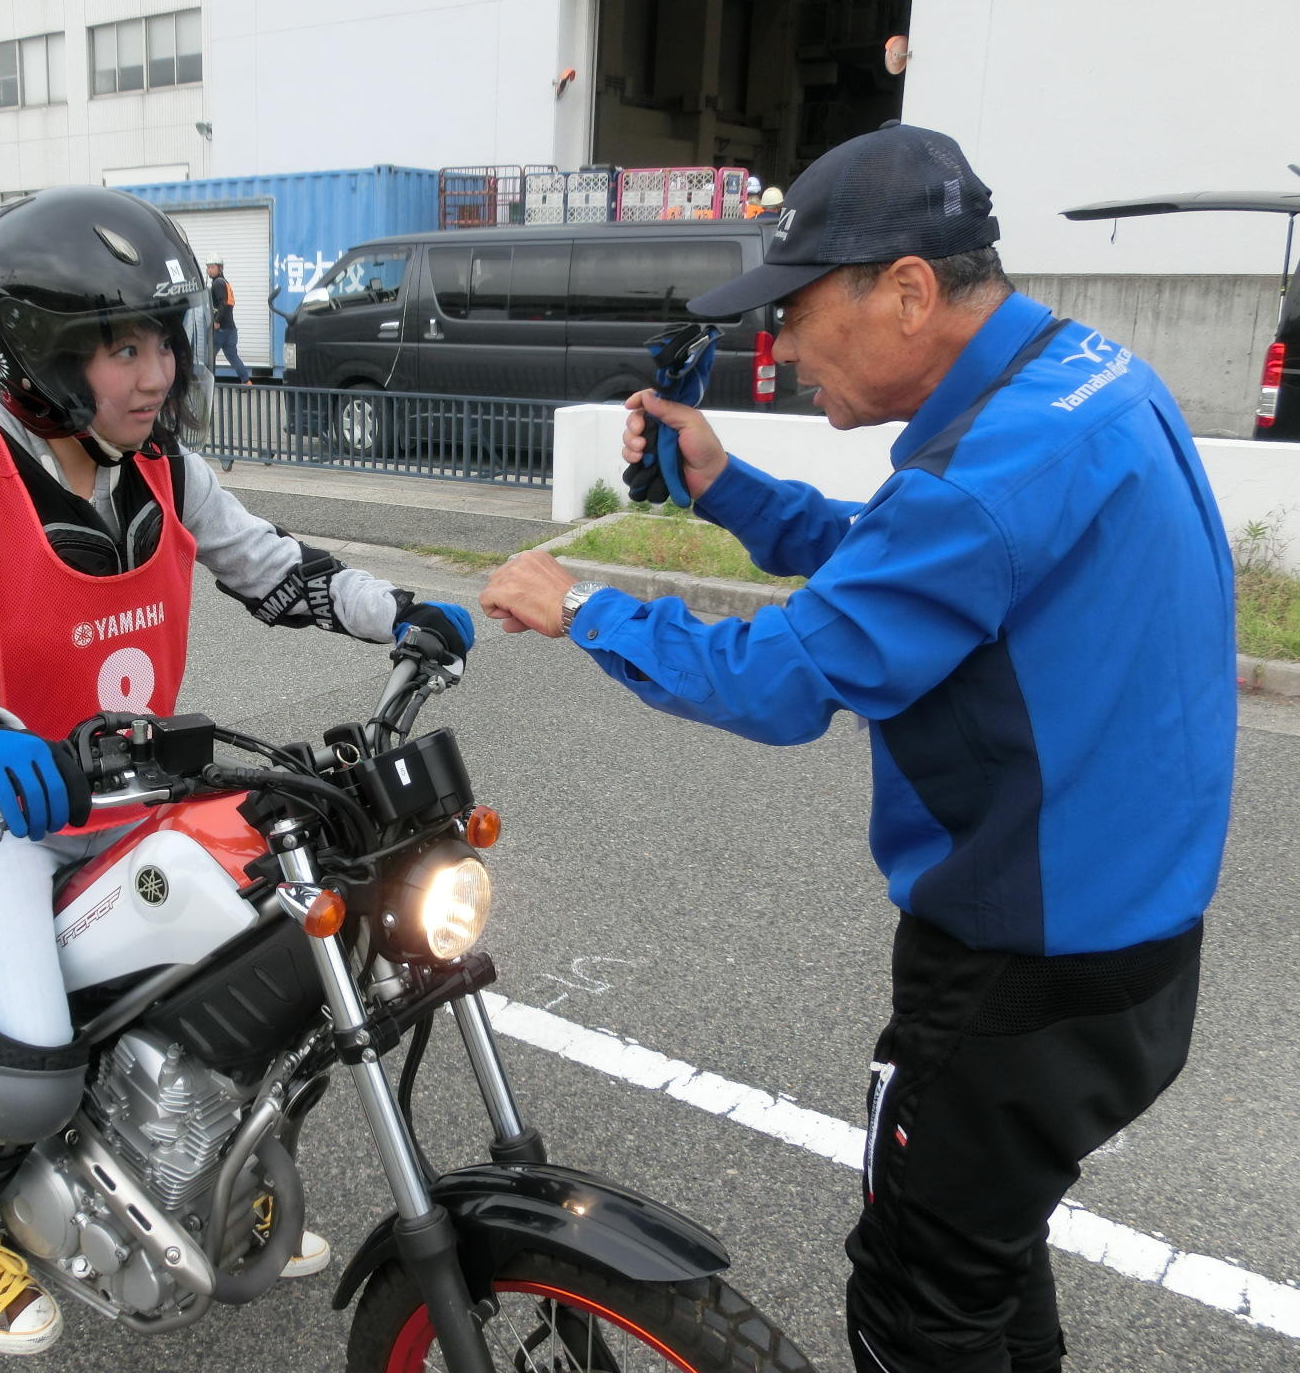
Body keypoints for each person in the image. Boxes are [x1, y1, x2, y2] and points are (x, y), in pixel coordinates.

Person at [479, 124, 1232, 1373]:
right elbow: (917, 573)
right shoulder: (1081, 383)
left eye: (789, 313)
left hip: (1014, 978)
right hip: (1136, 952)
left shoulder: (980, 472)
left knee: (913, 1299)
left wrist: (582, 608)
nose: (773, 348)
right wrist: (726, 487)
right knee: (986, 1255)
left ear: (904, 290)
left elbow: (785, 677)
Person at [0, 187, 473, 1357]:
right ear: (34, 354)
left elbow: (274, 570)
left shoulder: (162, 470)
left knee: (288, 944)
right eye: (119, 347)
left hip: (134, 797)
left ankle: (199, 1179)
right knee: (27, 1069)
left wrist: (406, 615)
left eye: (162, 343)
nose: (154, 374)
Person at [207, 258, 247, 381]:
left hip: (221, 330)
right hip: (231, 329)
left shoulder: (217, 283)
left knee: (208, 356)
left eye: (212, 267)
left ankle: (209, 383)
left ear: (220, 268)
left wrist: (217, 321)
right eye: (208, 267)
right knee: (233, 357)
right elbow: (229, 304)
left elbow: (223, 304)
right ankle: (247, 382)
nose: (209, 270)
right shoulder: (224, 282)